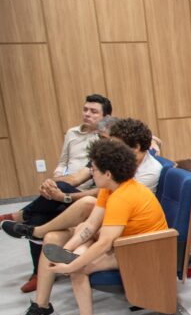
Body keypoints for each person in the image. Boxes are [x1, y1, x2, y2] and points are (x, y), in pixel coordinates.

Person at [14, 138, 167, 315]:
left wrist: (70, 266)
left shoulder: (123, 197)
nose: (91, 172)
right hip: (125, 245)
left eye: (93, 169)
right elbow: (91, 225)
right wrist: (67, 250)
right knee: (77, 252)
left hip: (142, 250)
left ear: (108, 173)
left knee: (79, 268)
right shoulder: (109, 189)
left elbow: (104, 242)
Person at [3, 118, 164, 291]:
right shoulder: (113, 177)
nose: (111, 147)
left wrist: (73, 264)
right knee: (56, 231)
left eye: (115, 144)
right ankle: (43, 303)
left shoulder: (134, 183)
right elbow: (91, 219)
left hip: (132, 240)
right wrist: (67, 249)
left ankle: (32, 226)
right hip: (115, 225)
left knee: (79, 249)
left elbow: (105, 238)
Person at [53, 93, 111, 179]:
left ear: (106, 117)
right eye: (85, 110)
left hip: (92, 188)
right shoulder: (71, 133)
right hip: (67, 182)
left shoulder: (107, 137)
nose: (87, 114)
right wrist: (57, 176)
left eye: (93, 112)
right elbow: (62, 163)